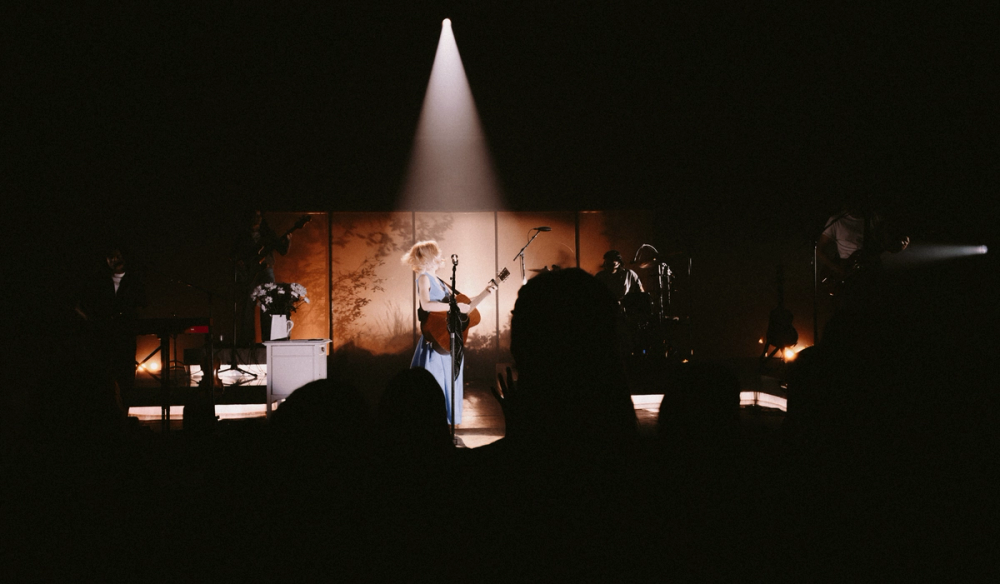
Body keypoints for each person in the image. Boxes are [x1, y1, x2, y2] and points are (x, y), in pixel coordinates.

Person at [401, 240, 496, 426]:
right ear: (430, 257)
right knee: (435, 382)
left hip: (449, 338)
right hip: (436, 339)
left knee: (451, 381)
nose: (441, 257)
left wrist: (485, 292)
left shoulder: (440, 281)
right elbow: (426, 304)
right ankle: (435, 424)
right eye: (437, 254)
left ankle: (448, 425)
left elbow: (463, 307)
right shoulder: (423, 278)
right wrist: (453, 306)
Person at [77, 244, 148, 413]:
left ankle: (124, 412)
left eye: (117, 256)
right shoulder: (98, 281)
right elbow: (83, 305)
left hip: (124, 336)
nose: (114, 260)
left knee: (125, 377)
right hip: (103, 337)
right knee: (104, 376)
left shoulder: (133, 280)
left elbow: (142, 301)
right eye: (110, 257)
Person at [817, 197, 909, 306]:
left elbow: (887, 244)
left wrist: (897, 246)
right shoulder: (837, 220)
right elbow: (819, 250)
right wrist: (835, 268)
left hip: (870, 269)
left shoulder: (875, 218)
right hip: (846, 271)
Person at [231, 209, 292, 345]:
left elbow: (282, 250)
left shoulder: (268, 234)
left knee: (268, 305)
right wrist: (239, 262)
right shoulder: (243, 235)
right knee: (248, 305)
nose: (257, 218)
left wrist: (287, 240)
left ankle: (268, 339)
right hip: (250, 272)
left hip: (266, 270)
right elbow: (234, 253)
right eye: (254, 215)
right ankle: (246, 341)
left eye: (259, 215)